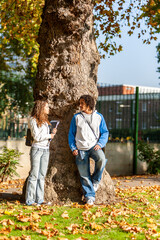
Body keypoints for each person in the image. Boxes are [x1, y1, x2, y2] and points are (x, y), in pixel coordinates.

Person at [68, 95, 109, 205]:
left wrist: (100, 144)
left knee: (101, 159)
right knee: (84, 175)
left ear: (89, 103)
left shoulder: (99, 117)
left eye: (82, 103)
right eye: (80, 103)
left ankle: (96, 180)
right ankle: (90, 196)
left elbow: (105, 132)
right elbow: (71, 135)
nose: (80, 105)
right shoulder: (76, 117)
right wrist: (73, 148)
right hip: (80, 149)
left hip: (94, 146)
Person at [25, 100, 57, 206]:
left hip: (45, 150)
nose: (48, 109)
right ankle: (30, 200)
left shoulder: (46, 122)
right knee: (34, 175)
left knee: (42, 175)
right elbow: (37, 137)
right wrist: (49, 136)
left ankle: (39, 199)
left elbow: (45, 138)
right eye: (47, 107)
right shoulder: (33, 120)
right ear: (41, 108)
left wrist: (51, 134)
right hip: (37, 150)